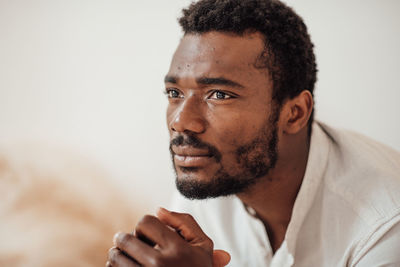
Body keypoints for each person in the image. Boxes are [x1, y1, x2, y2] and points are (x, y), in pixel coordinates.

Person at [107, 0, 400, 266]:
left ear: (295, 113)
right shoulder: (208, 172)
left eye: (219, 95)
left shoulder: (385, 226)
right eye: (174, 92)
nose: (182, 122)